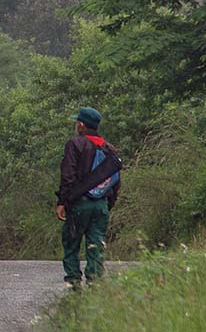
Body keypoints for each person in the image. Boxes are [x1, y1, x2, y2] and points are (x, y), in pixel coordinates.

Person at [56, 106, 121, 289]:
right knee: (96, 245)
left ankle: (74, 285)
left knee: (71, 244)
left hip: (79, 204)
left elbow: (67, 176)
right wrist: (109, 203)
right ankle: (95, 285)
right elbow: (116, 181)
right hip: (101, 205)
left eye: (77, 122)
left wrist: (62, 202)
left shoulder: (75, 144)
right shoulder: (109, 149)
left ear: (82, 125)